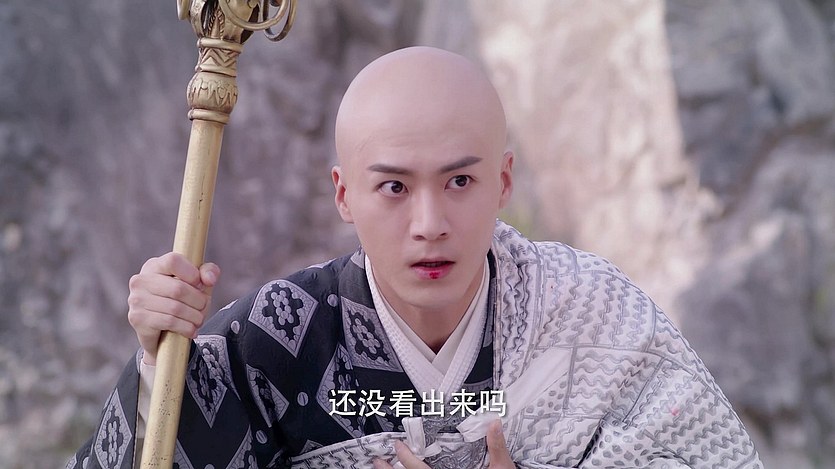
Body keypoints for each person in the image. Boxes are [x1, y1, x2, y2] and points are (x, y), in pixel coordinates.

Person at [69, 46, 762, 469]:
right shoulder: (277, 340)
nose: (429, 225)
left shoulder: (588, 313)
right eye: (394, 187)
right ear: (344, 193)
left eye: (459, 182)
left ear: (503, 182)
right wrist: (164, 364)